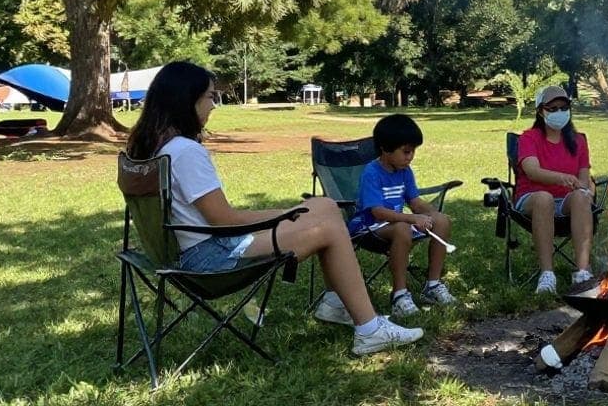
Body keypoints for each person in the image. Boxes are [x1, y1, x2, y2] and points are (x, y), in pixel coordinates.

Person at [123, 61, 423, 356]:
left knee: (325, 205)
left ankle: (335, 302)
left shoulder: (152, 148)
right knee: (330, 228)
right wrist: (285, 214)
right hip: (210, 258)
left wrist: (294, 212)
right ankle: (369, 329)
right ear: (187, 99)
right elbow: (223, 220)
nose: (214, 105)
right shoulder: (185, 151)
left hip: (187, 250)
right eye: (210, 96)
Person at [347, 114, 456, 316]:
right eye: (406, 151)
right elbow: (377, 212)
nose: (410, 156)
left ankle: (432, 285)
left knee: (442, 221)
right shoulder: (372, 173)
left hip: (396, 224)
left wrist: (432, 215)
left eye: (413, 151)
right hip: (368, 227)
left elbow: (414, 202)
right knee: (402, 228)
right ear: (385, 148)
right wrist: (412, 218)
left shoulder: (404, 171)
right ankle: (399, 295)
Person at [515, 85, 595, 294]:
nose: (559, 112)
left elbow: (583, 179)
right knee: (544, 198)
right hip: (531, 198)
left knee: (581, 197)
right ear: (541, 111)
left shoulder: (578, 141)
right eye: (553, 108)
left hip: (566, 201)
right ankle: (547, 274)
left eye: (564, 107)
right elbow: (532, 171)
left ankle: (582, 272)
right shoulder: (529, 138)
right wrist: (562, 178)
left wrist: (587, 190)